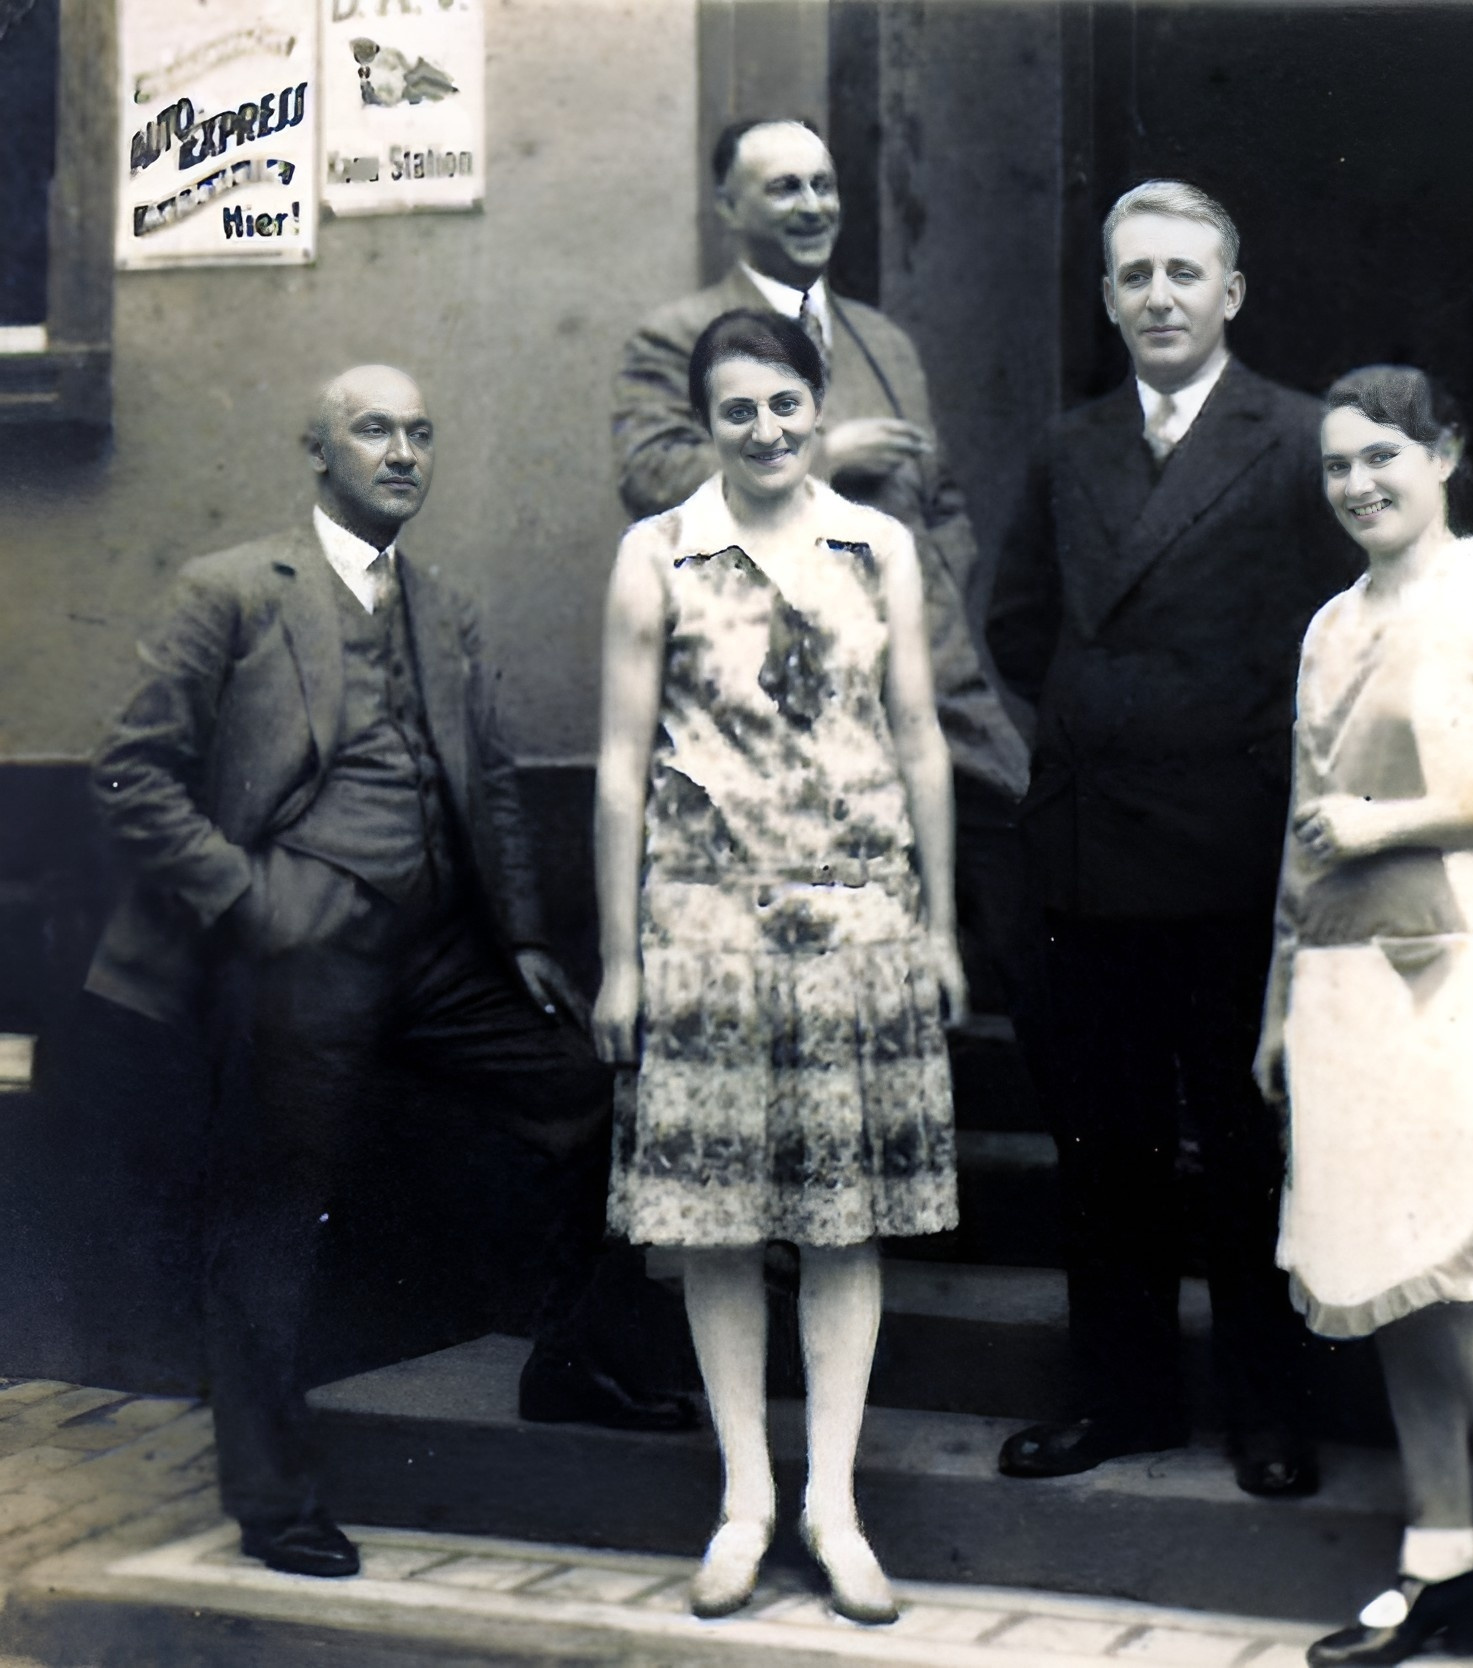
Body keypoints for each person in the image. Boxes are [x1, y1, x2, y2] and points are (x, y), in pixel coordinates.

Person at [84, 365, 693, 1581]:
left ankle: (567, 1362)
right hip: (293, 951)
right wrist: (247, 900)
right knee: (275, 1209)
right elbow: (128, 774)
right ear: (317, 452)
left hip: (438, 953)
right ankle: (273, 1498)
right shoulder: (234, 591)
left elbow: (495, 787)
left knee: (594, 1096)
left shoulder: (446, 608)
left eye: (421, 432)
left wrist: (523, 939)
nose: (403, 452)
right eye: (374, 430)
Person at [985, 180, 1360, 1498]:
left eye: (1183, 275)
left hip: (1235, 841)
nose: (1158, 297)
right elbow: (1017, 625)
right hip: (1091, 844)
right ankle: (1124, 1401)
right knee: (1107, 1145)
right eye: (1133, 276)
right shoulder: (1065, 447)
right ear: (1106, 296)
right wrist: (1113, 719)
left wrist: (1228, 743)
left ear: (1231, 294)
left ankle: (1271, 1410)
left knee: (1248, 1145)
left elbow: (1341, 639)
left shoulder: (1301, 437)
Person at [592, 310, 964, 1625]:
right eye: (736, 410)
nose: (764, 430)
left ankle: (833, 1502)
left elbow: (919, 739)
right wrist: (622, 960)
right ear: (707, 424)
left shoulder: (882, 549)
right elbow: (621, 768)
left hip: (859, 925)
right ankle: (746, 1500)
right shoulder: (660, 554)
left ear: (819, 406)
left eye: (785, 405)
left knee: (845, 1221)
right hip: (706, 929)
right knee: (722, 1223)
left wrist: (940, 928)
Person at [1260, 367, 1473, 1668]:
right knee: (1381, 1280)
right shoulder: (1329, 627)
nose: (1358, 484)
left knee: (1465, 1283)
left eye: (1384, 457)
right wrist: (1277, 992)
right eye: (1338, 465)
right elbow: (1302, 832)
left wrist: (1391, 822)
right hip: (1345, 983)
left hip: (1472, 968)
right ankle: (1440, 1554)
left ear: (1446, 451)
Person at [613, 116, 1033, 1019]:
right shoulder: (678, 335)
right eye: (784, 188)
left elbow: (940, 495)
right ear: (728, 206)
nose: (813, 207)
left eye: (823, 185)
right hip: (786, 715)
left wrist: (935, 589)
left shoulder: (884, 342)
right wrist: (825, 452)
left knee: (1013, 942)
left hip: (938, 697)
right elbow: (649, 480)